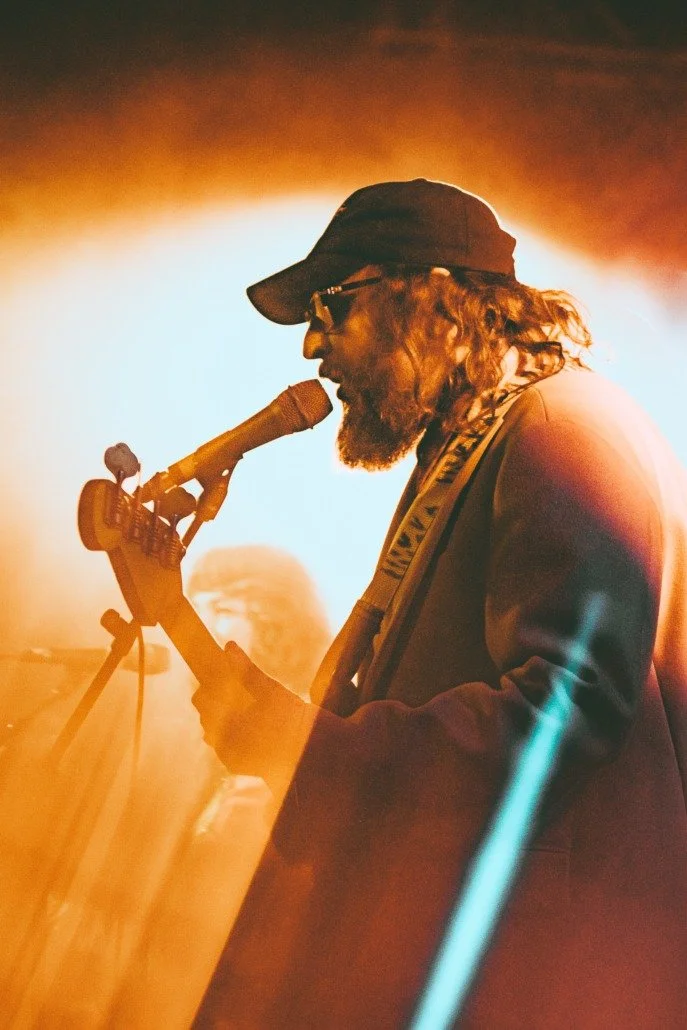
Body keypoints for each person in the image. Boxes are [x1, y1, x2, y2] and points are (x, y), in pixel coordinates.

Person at [191, 178, 687, 1029]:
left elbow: (566, 709)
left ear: (432, 302)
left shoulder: (559, 423)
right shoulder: (475, 445)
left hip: (537, 977)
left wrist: (322, 751)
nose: (312, 346)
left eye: (332, 307)